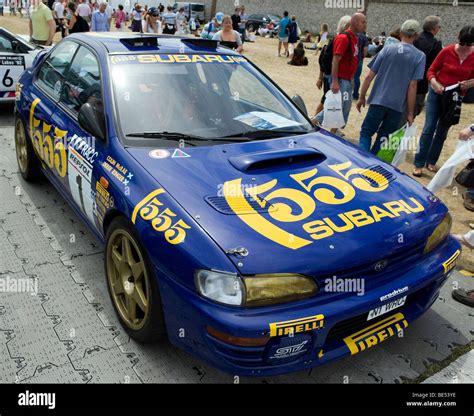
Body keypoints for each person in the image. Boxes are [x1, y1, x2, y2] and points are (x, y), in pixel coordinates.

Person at [356, 20, 426, 155]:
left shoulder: (388, 49)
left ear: (401, 33)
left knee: (366, 132)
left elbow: (369, 76)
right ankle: (372, 162)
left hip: (378, 100)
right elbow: (413, 86)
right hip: (397, 106)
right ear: (416, 35)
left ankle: (362, 158)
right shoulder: (420, 56)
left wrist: (361, 97)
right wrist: (410, 113)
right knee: (384, 138)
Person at [413, 25, 474, 177]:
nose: (465, 47)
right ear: (458, 38)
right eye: (463, 43)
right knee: (429, 128)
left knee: (443, 130)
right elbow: (431, 71)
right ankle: (418, 162)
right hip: (437, 93)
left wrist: (470, 83)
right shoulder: (446, 51)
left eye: (470, 44)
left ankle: (431, 161)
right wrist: (434, 83)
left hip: (454, 98)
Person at [314, 13, 367, 132]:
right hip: (341, 80)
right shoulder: (343, 38)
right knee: (335, 108)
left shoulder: (355, 38)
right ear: (355, 23)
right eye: (363, 22)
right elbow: (335, 60)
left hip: (347, 80)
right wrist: (335, 82)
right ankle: (313, 122)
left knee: (343, 109)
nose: (365, 25)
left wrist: (352, 80)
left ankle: (332, 132)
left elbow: (352, 60)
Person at [413, 16, 443, 116]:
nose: (439, 29)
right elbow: (437, 66)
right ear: (434, 28)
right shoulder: (436, 44)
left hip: (404, 81)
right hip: (421, 83)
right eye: (439, 27)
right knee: (412, 113)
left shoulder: (413, 39)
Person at [353, 30, 368, 100]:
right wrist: (363, 57)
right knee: (356, 77)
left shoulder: (353, 34)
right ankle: (355, 94)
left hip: (351, 58)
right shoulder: (364, 37)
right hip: (359, 59)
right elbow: (365, 49)